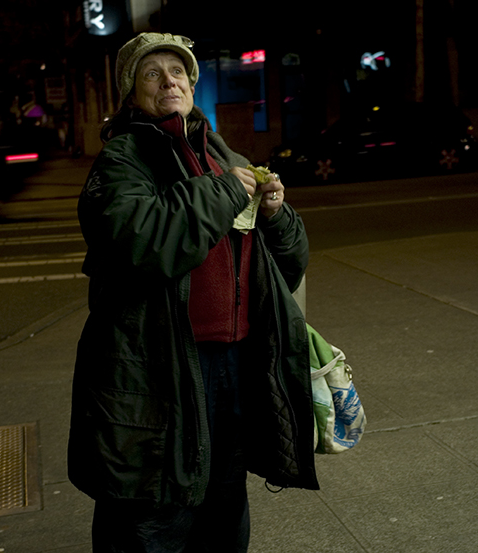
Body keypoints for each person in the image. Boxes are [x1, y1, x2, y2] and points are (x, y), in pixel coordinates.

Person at [67, 32, 318, 553]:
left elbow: (285, 270)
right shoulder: (123, 159)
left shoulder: (221, 152)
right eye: (152, 74)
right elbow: (144, 242)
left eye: (177, 72)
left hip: (233, 362)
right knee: (152, 509)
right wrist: (226, 189)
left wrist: (276, 215)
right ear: (132, 94)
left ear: (192, 84)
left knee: (223, 504)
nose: (168, 82)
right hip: (157, 366)